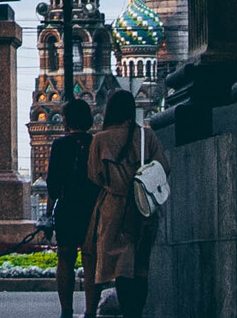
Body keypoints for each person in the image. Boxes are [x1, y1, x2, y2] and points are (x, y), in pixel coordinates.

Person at [83, 90, 164, 317]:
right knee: (140, 267)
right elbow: (163, 167)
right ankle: (135, 311)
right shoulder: (147, 137)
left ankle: (128, 310)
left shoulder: (99, 139)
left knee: (120, 266)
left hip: (113, 210)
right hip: (143, 208)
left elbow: (94, 175)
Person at [45, 99, 101, 318]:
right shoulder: (95, 143)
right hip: (91, 208)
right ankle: (90, 311)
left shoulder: (60, 145)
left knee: (65, 259)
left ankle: (66, 311)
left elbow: (53, 184)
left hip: (67, 208)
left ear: (67, 119)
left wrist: (49, 213)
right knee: (90, 260)